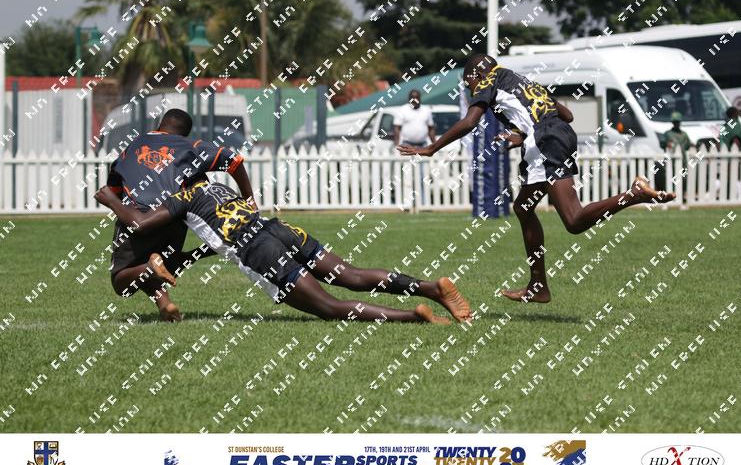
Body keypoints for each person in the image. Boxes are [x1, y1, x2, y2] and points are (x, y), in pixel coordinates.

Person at [399, 53, 675, 303]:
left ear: (476, 74)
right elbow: (567, 114)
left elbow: (470, 121)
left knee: (574, 221)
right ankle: (538, 286)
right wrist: (522, 135)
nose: (471, 90)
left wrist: (431, 148)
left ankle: (633, 194)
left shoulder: (487, 80)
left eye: (468, 84)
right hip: (558, 136)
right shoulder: (522, 80)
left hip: (545, 141)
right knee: (523, 207)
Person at [94, 180, 471, 325]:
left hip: (258, 249)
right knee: (352, 275)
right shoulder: (220, 187)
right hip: (280, 229)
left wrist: (111, 200)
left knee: (328, 307)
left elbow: (140, 223)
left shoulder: (184, 197)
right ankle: (431, 288)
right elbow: (218, 233)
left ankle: (414, 317)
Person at [106, 108, 254, 322]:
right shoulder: (190, 146)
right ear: (185, 133)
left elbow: (114, 189)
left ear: (159, 125)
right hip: (172, 215)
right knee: (160, 266)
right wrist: (249, 200)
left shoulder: (133, 146)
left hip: (137, 214)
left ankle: (151, 267)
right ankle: (165, 304)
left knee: (121, 281)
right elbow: (234, 161)